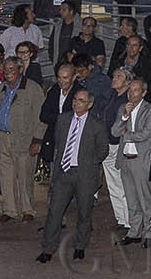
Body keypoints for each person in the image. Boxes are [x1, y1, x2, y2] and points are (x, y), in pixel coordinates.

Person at [35, 85, 108, 263]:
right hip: (64, 172)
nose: (76, 103)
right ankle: (48, 247)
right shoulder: (63, 119)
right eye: (75, 99)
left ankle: (80, 245)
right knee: (54, 211)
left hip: (84, 175)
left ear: (89, 104)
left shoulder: (97, 125)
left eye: (81, 101)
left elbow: (102, 151)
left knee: (84, 212)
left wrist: (88, 164)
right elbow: (59, 143)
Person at [0, 58, 42, 223]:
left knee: (25, 175)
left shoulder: (32, 89)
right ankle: (9, 209)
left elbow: (41, 116)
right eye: (6, 69)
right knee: (6, 175)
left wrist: (37, 140)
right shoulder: (0, 89)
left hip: (24, 139)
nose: (8, 72)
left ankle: (28, 209)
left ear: (20, 69)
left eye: (12, 69)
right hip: (2, 137)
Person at [111, 76, 151, 246]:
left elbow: (146, 134)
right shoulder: (124, 108)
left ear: (144, 93)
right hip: (126, 159)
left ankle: (149, 232)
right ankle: (134, 231)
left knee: (146, 199)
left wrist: (127, 135)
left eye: (135, 90)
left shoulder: (150, 110)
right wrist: (124, 117)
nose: (131, 94)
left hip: (141, 160)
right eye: (130, 90)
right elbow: (115, 131)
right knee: (131, 199)